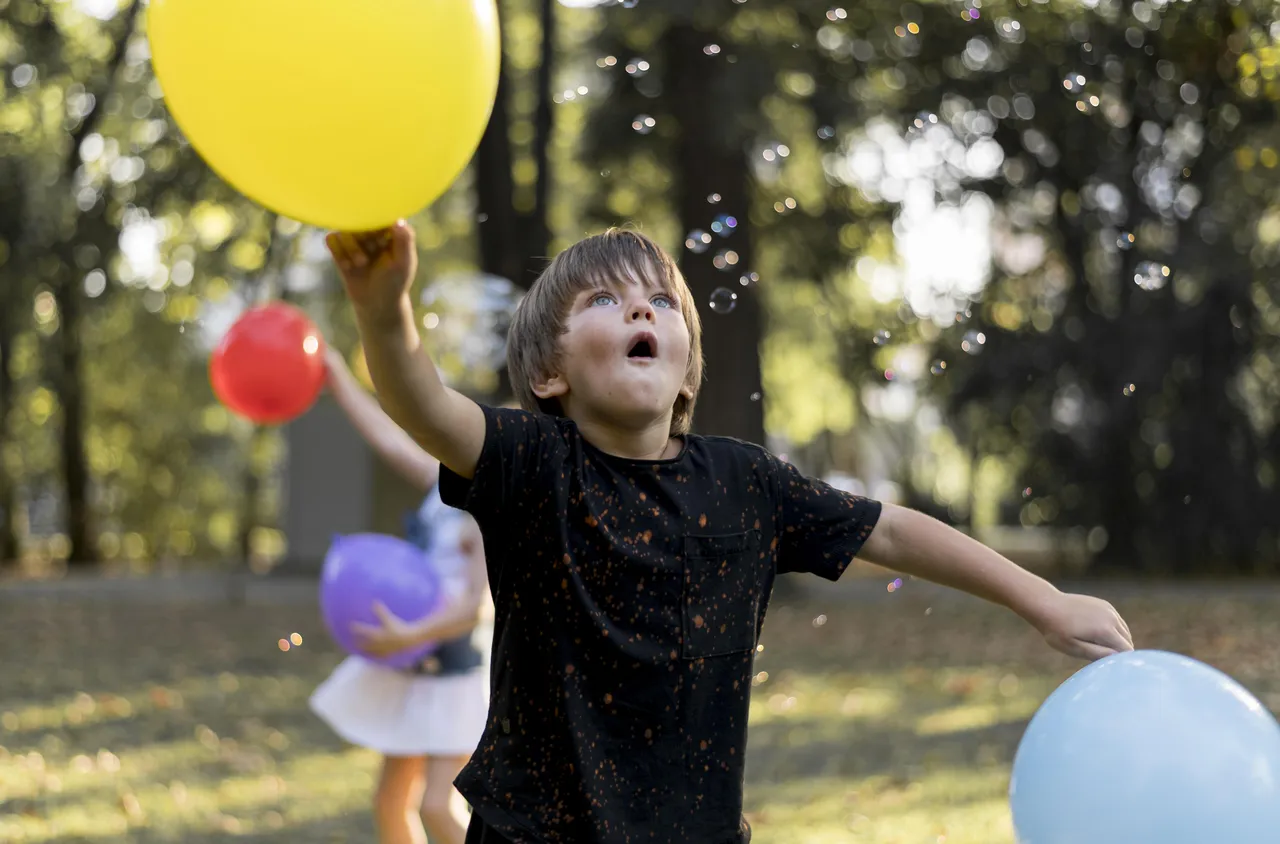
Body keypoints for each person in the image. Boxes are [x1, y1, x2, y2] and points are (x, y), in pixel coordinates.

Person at [326, 223, 1134, 844]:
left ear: (685, 367)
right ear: (550, 374)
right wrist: (380, 304)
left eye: (661, 301)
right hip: (533, 832)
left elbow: (888, 532)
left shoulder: (746, 483)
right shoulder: (532, 464)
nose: (641, 307)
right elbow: (421, 401)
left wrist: (1042, 598)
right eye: (602, 301)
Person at [308, 348, 490, 844]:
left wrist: (409, 633)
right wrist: (340, 378)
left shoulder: (488, 508)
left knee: (437, 805)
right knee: (389, 801)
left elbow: (472, 609)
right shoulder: (443, 483)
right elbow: (388, 441)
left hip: (451, 668)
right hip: (411, 660)